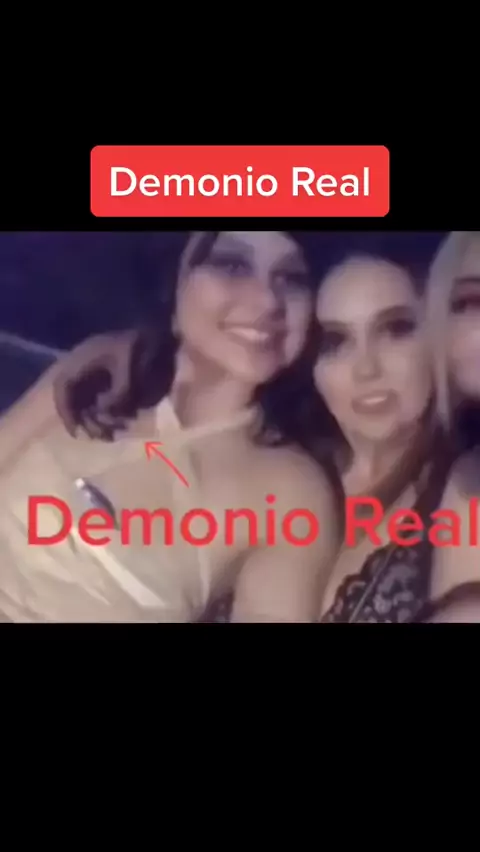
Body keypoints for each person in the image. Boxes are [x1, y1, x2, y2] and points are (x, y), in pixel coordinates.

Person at [0, 231, 341, 623]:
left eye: (291, 278)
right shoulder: (97, 373)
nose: (268, 301)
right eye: (232, 265)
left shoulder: (291, 491)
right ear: (174, 278)